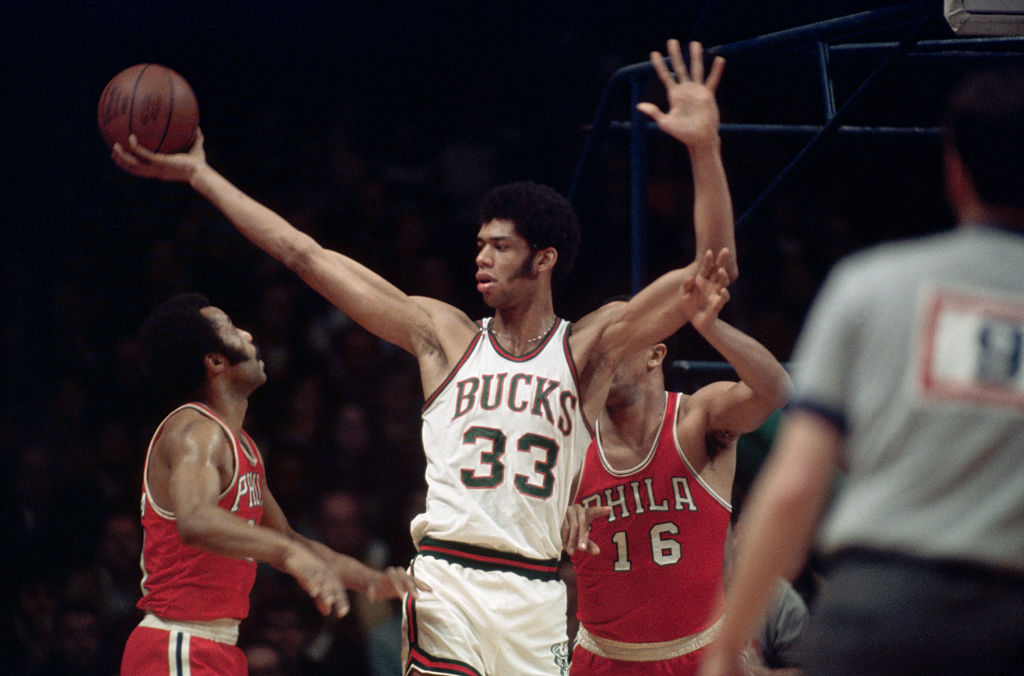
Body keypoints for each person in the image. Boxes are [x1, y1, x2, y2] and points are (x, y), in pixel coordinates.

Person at [112, 40, 733, 676]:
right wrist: (202, 176)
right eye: (479, 245)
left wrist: (704, 148)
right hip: (448, 584)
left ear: (543, 259)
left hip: (536, 595)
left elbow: (710, 272)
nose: (481, 257)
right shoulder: (444, 335)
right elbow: (305, 255)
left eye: (500, 247)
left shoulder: (589, 347)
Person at [699, 67, 1024, 676]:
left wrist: (725, 646)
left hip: (882, 612)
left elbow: (796, 486)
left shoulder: (871, 286)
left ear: (954, 170)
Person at [120, 293, 427, 675]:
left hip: (215, 645)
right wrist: (289, 555)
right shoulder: (196, 430)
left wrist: (372, 581)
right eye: (231, 329)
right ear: (215, 361)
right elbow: (196, 520)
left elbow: (288, 538)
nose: (248, 335)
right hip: (177, 643)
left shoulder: (243, 446)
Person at [562, 262, 791, 674]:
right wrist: (557, 519)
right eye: (595, 345)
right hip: (603, 659)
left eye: (616, 340)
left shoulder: (698, 419)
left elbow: (777, 391)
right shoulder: (570, 438)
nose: (601, 354)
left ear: (655, 354)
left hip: (701, 654)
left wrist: (712, 327)